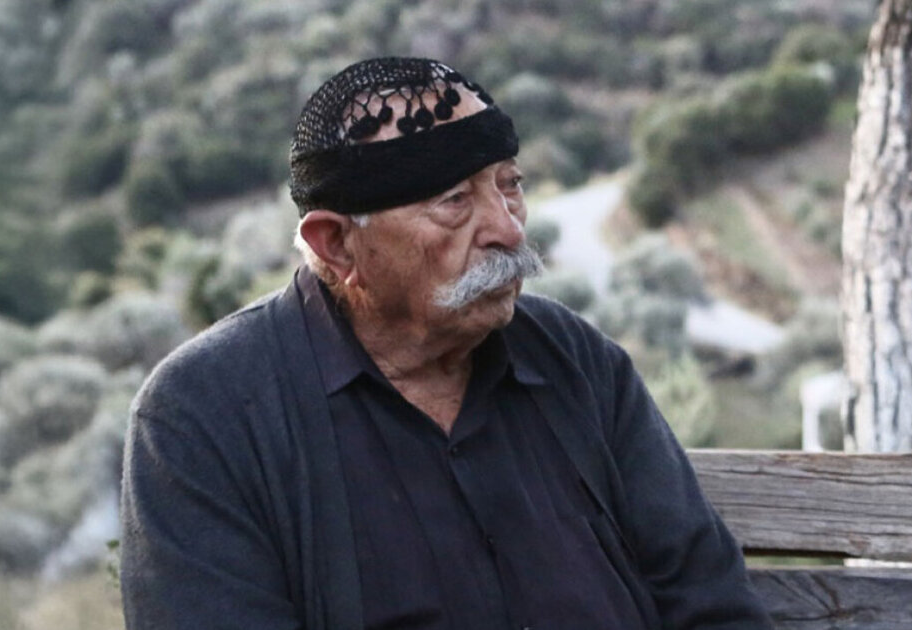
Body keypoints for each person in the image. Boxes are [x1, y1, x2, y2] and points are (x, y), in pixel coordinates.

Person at [120, 57, 773, 630]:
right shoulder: (205, 415)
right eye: (455, 200)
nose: (508, 230)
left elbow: (709, 601)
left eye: (510, 185)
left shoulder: (572, 358)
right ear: (337, 244)